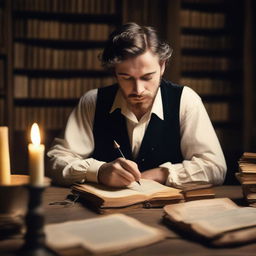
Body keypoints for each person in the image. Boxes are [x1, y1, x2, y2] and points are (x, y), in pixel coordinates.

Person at [47, 22, 226, 187]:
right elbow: (56, 160)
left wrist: (161, 174)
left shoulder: (186, 100)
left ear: (162, 66)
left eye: (147, 77)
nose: (138, 89)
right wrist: (99, 171)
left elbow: (215, 168)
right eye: (126, 78)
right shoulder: (92, 101)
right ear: (114, 71)